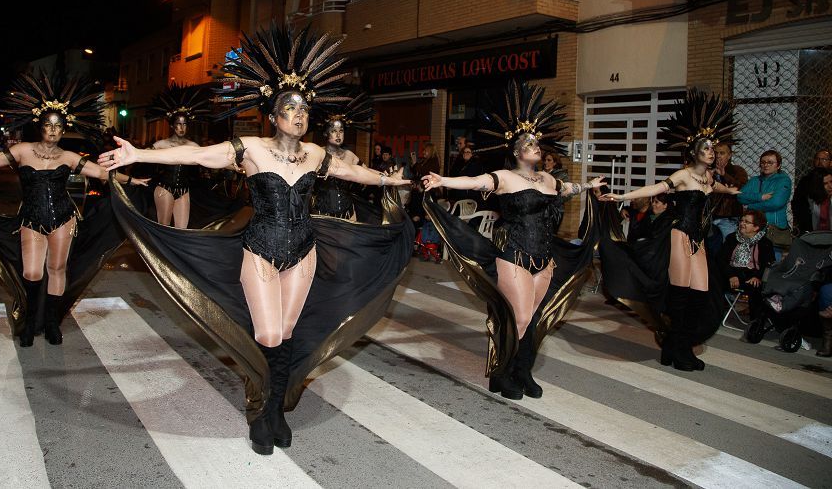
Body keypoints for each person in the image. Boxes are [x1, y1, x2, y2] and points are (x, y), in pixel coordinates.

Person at [99, 25, 413, 455]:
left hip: (304, 253)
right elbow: (194, 154)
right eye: (290, 107)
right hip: (261, 251)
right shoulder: (249, 148)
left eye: (305, 109)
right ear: (273, 113)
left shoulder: (318, 155)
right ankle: (263, 410)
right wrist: (140, 154)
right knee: (267, 333)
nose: (299, 115)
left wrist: (386, 179)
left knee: (287, 331)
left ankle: (274, 412)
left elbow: (354, 174)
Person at [0, 73, 148, 348]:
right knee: (32, 273)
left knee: (56, 269)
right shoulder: (22, 150)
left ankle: (51, 323)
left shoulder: (70, 157)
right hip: (31, 218)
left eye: (59, 126)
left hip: (63, 218)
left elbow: (102, 174)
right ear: (40, 125)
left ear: (64, 128)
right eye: (48, 124)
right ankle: (32, 319)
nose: (54, 130)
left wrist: (133, 181)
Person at [423, 80, 605, 399]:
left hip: (543, 259)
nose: (536, 146)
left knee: (532, 319)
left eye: (537, 142)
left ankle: (523, 371)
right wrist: (443, 179)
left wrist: (588, 186)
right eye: (529, 142)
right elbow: (475, 182)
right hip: (514, 257)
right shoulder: (504, 177)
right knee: (517, 317)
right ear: (516, 150)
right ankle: (502, 373)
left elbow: (567, 190)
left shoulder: (548, 178)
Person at [603, 89, 740, 372]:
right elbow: (656, 188)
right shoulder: (683, 175)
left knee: (700, 293)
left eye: (713, 149)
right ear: (693, 153)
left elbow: (726, 189)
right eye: (706, 149)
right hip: (679, 236)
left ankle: (676, 346)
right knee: (680, 296)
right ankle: (678, 350)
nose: (711, 153)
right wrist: (621, 197)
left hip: (698, 240)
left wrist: (732, 187)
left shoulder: (708, 179)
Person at [146, 85, 211, 229]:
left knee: (182, 230)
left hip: (184, 190)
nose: (181, 127)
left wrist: (234, 164)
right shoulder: (162, 144)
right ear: (172, 126)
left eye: (184, 124)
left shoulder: (192, 145)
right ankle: (160, 251)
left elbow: (210, 157)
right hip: (164, 188)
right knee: (164, 227)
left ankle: (175, 252)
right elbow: (142, 155)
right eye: (178, 124)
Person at [312, 94, 375, 220]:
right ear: (325, 133)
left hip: (348, 213)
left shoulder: (349, 155)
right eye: (334, 131)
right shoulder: (317, 153)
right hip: (322, 214)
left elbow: (366, 172)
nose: (338, 134)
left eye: (341, 131)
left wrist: (385, 177)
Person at [718, 209, 773, 320]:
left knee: (756, 287)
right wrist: (731, 275)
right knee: (712, 279)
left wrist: (757, 277)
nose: (742, 223)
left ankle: (755, 324)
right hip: (731, 273)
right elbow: (721, 259)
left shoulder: (765, 243)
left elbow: (769, 265)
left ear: (756, 227)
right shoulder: (732, 238)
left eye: (747, 222)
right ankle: (713, 315)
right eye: (741, 220)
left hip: (751, 275)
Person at [738, 150, 792, 253]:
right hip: (753, 229)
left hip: (773, 229)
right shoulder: (755, 180)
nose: (766, 165)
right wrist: (760, 197)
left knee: (772, 261)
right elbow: (740, 197)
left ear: (778, 165)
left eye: (770, 162)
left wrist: (751, 206)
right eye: (763, 162)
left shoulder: (783, 181)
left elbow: (776, 203)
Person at [708, 142, 748, 256]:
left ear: (729, 155)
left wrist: (725, 174)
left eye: (722, 153)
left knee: (729, 251)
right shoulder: (708, 171)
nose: (718, 156)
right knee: (710, 250)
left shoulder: (737, 170)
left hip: (729, 218)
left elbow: (741, 187)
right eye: (716, 153)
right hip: (710, 217)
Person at [793, 149, 831, 232]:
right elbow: (798, 203)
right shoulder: (805, 181)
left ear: (830, 162)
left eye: (824, 159)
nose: (820, 162)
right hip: (810, 229)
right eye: (818, 159)